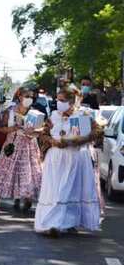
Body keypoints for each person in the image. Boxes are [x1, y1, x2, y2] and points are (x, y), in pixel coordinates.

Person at [34, 86, 101, 237]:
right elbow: (43, 135)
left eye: (62, 100)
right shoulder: (53, 116)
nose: (59, 103)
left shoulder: (83, 114)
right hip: (55, 158)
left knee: (70, 190)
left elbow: (97, 132)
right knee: (55, 191)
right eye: (58, 100)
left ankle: (67, 221)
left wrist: (78, 140)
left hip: (75, 157)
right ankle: (52, 223)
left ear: (71, 101)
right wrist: (53, 141)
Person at [0, 87, 43, 213]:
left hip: (29, 146)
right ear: (20, 96)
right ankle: (16, 196)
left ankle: (28, 197)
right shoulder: (10, 111)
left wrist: (34, 131)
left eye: (31, 97)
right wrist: (13, 128)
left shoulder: (36, 113)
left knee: (29, 172)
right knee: (12, 171)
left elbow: (42, 130)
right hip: (13, 144)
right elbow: (1, 128)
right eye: (27, 96)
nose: (29, 99)